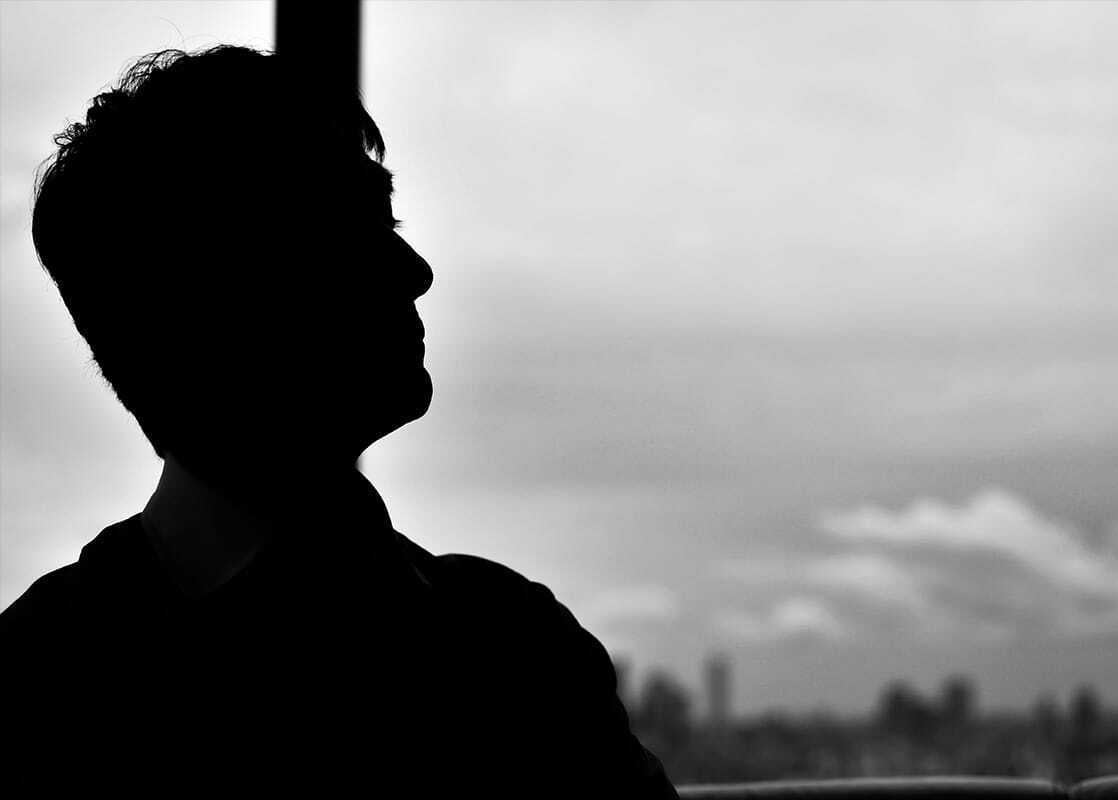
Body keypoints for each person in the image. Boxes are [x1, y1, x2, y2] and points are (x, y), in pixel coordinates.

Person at [1, 45, 678, 796]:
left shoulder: (38, 682)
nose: (416, 270)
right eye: (351, 228)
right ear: (219, 298)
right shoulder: (510, 651)